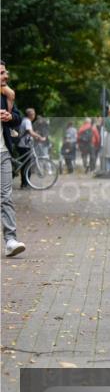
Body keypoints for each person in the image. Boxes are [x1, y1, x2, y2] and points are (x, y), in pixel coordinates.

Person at [1, 60, 25, 257]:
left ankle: (10, 240)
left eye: (5, 72)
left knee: (6, 197)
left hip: (3, 153)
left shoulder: (5, 95)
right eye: (1, 73)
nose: (5, 76)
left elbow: (17, 118)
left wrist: (10, 115)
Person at [16, 108, 45, 188]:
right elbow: (30, 132)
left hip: (24, 145)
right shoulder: (27, 121)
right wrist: (40, 137)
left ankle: (25, 183)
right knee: (26, 165)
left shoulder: (25, 121)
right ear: (31, 115)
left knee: (25, 165)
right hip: (24, 145)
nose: (34, 115)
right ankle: (25, 184)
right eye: (34, 114)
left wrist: (35, 137)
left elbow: (28, 134)